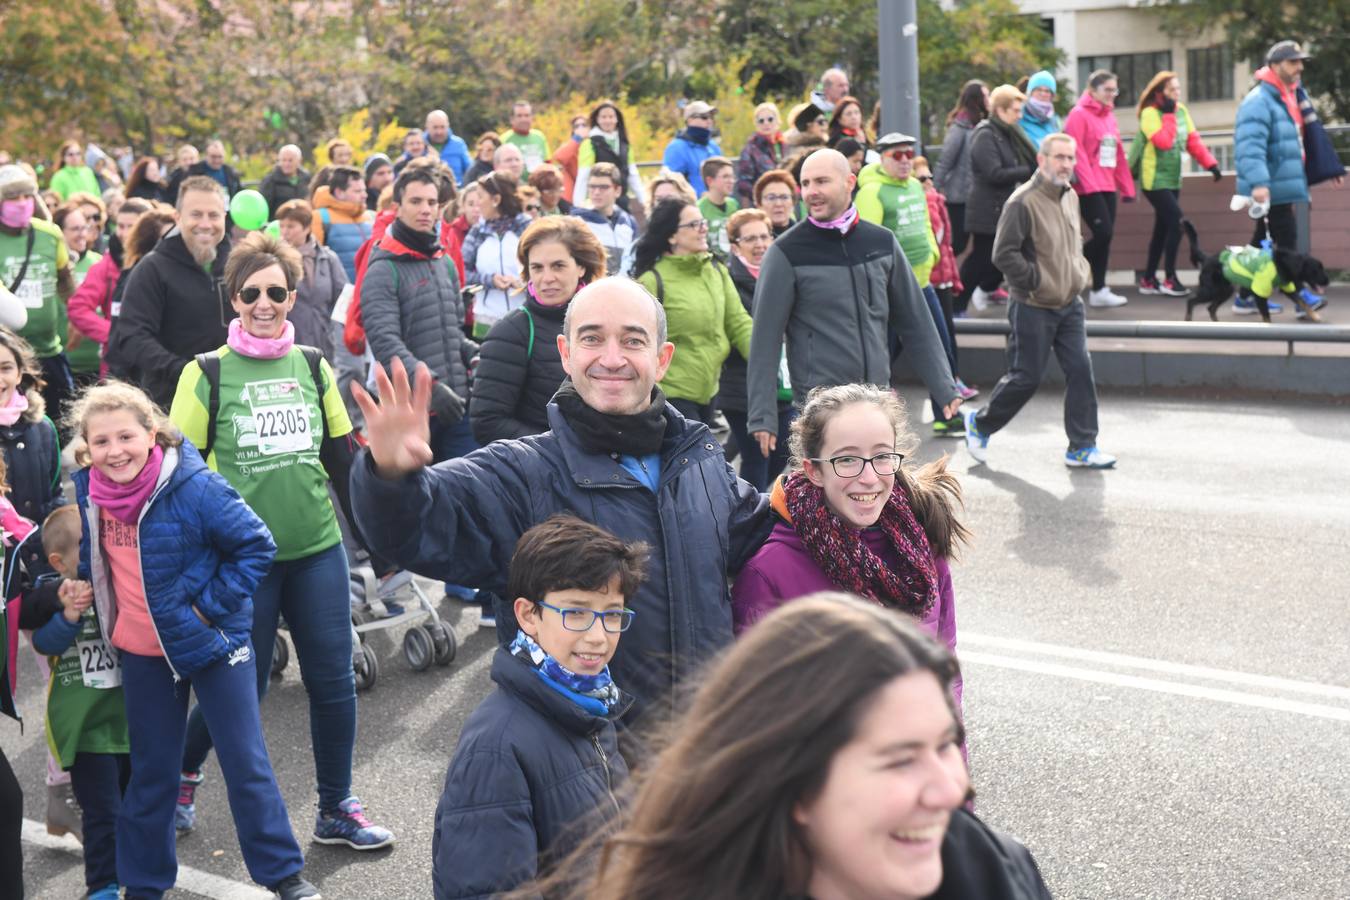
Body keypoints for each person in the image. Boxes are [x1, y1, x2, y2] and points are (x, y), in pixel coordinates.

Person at [348, 277, 771, 717]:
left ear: (661, 359)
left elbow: (765, 537)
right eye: (592, 338)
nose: (612, 358)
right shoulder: (519, 473)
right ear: (566, 353)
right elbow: (415, 527)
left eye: (632, 340)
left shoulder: (697, 459)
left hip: (710, 751)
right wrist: (390, 478)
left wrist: (831, 483)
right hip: (592, 765)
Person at [525, 592, 1051, 900]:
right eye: (900, 759)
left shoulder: (1000, 873)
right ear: (792, 779)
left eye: (946, 746)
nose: (951, 788)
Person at [167, 231, 393, 850]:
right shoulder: (205, 373)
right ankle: (182, 776)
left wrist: (376, 540)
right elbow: (176, 474)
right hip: (243, 564)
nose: (264, 303)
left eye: (277, 291)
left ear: (293, 296)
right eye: (251, 292)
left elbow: (344, 460)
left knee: (334, 680)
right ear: (233, 300)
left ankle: (335, 809)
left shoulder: (314, 364)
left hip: (317, 549)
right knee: (243, 686)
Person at [67, 382, 320, 900]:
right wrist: (77, 585)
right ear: (86, 448)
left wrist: (206, 610)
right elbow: (97, 560)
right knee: (151, 776)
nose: (115, 451)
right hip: (142, 651)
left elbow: (256, 546)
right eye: (101, 441)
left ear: (153, 433)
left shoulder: (195, 485)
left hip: (214, 643)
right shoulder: (89, 492)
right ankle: (142, 885)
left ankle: (284, 876)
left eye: (126, 437)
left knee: (245, 763)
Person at [432, 515, 644, 899]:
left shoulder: (591, 706)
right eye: (575, 612)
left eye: (611, 614)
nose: (598, 636)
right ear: (528, 615)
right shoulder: (496, 747)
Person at [732, 382, 969, 708]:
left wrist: (949, 751)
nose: (870, 478)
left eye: (882, 456)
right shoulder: (769, 572)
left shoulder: (921, 547)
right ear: (814, 470)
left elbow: (946, 673)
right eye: (847, 460)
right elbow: (757, 708)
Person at [745, 149, 959, 459]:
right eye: (805, 184)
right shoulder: (785, 252)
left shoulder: (882, 242)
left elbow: (917, 322)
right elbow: (764, 339)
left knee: (881, 494)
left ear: (849, 182)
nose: (811, 192)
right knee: (831, 500)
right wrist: (762, 415)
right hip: (823, 409)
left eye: (821, 181)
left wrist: (944, 386)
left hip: (878, 402)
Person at [964, 133, 1115, 469]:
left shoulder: (1071, 196)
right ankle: (980, 424)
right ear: (1042, 160)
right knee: (1025, 377)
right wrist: (1036, 281)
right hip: (1032, 304)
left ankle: (1082, 447)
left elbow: (1073, 245)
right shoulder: (1022, 201)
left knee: (1080, 369)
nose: (1066, 165)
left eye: (1071, 158)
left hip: (1069, 303)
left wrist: (1080, 273)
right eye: (1059, 157)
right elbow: (1003, 254)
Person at [26, 505, 130, 900]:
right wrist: (68, 616)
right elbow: (43, 644)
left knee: (134, 804)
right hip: (86, 732)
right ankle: (102, 886)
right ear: (59, 562)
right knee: (103, 813)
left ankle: (136, 874)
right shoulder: (63, 601)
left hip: (127, 722)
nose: (96, 553)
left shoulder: (112, 585)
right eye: (86, 547)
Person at [361, 165, 476, 462]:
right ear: (397, 208)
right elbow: (385, 343)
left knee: (466, 497)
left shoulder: (444, 262)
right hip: (411, 411)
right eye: (416, 202)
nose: (425, 209)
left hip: (457, 406)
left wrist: (475, 354)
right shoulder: (383, 269)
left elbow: (452, 334)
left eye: (432, 202)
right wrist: (432, 385)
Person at [856, 134, 966, 436]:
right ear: (882, 158)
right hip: (890, 292)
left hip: (922, 283)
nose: (905, 160)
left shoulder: (917, 186)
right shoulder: (872, 191)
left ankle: (946, 412)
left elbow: (926, 227)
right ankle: (867, 419)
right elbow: (868, 242)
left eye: (909, 154)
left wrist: (931, 254)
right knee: (881, 358)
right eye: (897, 155)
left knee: (940, 349)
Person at [470, 218, 606, 445]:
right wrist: (565, 448)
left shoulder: (607, 321)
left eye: (558, 266)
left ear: (581, 266)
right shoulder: (512, 330)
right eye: (537, 268)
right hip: (544, 471)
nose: (547, 278)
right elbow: (488, 422)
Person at [1233, 39, 1344, 315]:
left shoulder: (1290, 96)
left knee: (1261, 243)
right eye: (1293, 62)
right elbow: (1249, 146)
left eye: (1300, 62)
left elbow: (1307, 137)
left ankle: (1244, 296)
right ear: (1274, 65)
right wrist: (1259, 183)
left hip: (1280, 185)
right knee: (1288, 245)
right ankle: (1302, 299)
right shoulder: (1259, 101)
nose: (1299, 68)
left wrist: (1330, 167)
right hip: (1270, 186)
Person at [114, 175, 232, 410]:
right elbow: (132, 335)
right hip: (173, 402)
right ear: (178, 218)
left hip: (233, 400)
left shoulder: (239, 264)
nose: (206, 224)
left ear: (225, 218)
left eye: (214, 215)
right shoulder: (153, 268)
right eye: (196, 214)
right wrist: (185, 371)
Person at [633, 198, 752, 426]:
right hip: (671, 393)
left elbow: (738, 322)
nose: (703, 229)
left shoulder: (716, 270)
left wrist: (765, 361)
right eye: (694, 224)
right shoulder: (651, 281)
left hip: (710, 390)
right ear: (672, 236)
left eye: (703, 222)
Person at [715, 208, 791, 491]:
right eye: (750, 239)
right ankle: (749, 522)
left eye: (764, 236)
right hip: (741, 386)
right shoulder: (728, 281)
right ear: (735, 246)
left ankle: (739, 503)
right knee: (757, 457)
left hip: (782, 383)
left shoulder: (782, 272)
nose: (760, 244)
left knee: (783, 450)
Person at [1130, 71, 1221, 297]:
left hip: (1173, 178)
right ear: (1160, 92)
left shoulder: (1181, 111)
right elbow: (1163, 142)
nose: (1177, 94)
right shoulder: (1149, 113)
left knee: (1162, 229)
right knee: (1177, 224)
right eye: (1172, 90)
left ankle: (1149, 279)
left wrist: (1210, 164)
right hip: (1154, 180)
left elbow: (1192, 141)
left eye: (1178, 89)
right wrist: (1168, 115)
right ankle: (1170, 278)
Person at [0, 164, 76, 425]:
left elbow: (65, 281)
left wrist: (75, 319)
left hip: (49, 349)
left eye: (26, 196)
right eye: (12, 197)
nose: (21, 203)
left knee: (62, 421)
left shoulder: (49, 233)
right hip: (8, 356)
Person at [960, 85, 1037, 315]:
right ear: (1001, 110)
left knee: (1000, 255)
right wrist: (1029, 170)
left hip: (1002, 207)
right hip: (987, 208)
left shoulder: (1007, 133)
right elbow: (994, 173)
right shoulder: (986, 134)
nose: (1019, 115)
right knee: (981, 259)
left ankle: (982, 292)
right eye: (1015, 110)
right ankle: (958, 304)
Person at [1064, 69, 1136, 308]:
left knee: (1105, 238)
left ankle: (1099, 289)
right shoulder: (1078, 115)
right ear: (1092, 91)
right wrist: (1089, 184)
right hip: (1087, 187)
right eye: (1107, 89)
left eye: (1114, 90)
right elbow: (1077, 153)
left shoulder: (1109, 117)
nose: (1112, 94)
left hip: (1107, 185)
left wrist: (1127, 187)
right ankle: (1067, 267)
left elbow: (1117, 154)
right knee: (1102, 233)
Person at [914, 156, 977, 419]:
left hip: (940, 278)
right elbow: (936, 240)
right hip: (930, 280)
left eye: (930, 177)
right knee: (940, 341)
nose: (928, 182)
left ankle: (950, 392)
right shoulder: (928, 201)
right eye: (922, 179)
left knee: (945, 336)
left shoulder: (935, 200)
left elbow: (946, 246)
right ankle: (947, 401)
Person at [68, 198, 151, 378]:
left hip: (155, 362)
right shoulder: (106, 265)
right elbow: (78, 308)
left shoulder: (164, 261)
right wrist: (115, 333)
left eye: (131, 226)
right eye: (120, 226)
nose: (124, 233)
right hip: (117, 364)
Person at [461, 173, 532, 338]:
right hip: (486, 320)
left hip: (525, 317)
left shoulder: (527, 229)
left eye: (480, 197)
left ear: (496, 200)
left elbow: (543, 269)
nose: (477, 203)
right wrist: (489, 280)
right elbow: (463, 273)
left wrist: (522, 282)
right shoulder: (477, 232)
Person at [276, 198, 347, 358]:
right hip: (288, 346)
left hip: (324, 345)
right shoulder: (275, 260)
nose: (284, 231)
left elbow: (343, 300)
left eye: (291, 226)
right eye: (282, 226)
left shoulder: (328, 258)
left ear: (307, 228)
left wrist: (338, 337)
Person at [934, 80, 989, 270]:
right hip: (958, 196)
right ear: (976, 99)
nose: (988, 99)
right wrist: (932, 192)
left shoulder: (981, 125)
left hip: (976, 196)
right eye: (985, 95)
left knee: (976, 245)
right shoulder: (959, 127)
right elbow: (945, 161)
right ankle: (943, 276)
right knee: (958, 244)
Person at [53, 203, 104, 386]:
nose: (82, 234)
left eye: (84, 228)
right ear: (59, 232)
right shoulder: (52, 265)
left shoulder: (100, 262)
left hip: (99, 366)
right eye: (75, 229)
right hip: (65, 365)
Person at [573, 101, 647, 215]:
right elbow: (583, 176)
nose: (607, 120)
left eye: (611, 117)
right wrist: (578, 206)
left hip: (621, 201)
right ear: (597, 119)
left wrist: (645, 201)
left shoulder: (624, 144)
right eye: (603, 117)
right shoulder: (589, 143)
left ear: (617, 119)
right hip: (598, 204)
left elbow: (633, 175)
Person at [310, 164, 373, 281]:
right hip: (340, 293)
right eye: (358, 191)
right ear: (339, 192)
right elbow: (311, 260)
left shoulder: (369, 217)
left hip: (370, 290)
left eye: (364, 190)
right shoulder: (319, 217)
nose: (365, 195)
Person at [574, 163, 637, 276]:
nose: (596, 192)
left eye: (604, 187)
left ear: (617, 190)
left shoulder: (629, 222)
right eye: (592, 187)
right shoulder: (578, 223)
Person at [662, 101, 722, 195]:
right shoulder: (676, 148)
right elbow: (669, 182)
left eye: (711, 117)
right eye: (704, 117)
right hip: (691, 206)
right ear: (689, 120)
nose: (709, 121)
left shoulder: (713, 147)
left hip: (716, 204)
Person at [736, 102, 786, 207]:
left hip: (785, 202)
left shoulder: (785, 146)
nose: (766, 123)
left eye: (770, 119)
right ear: (756, 124)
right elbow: (743, 184)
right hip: (762, 205)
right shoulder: (750, 149)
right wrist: (763, 196)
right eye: (761, 121)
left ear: (778, 121)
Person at [166, 140, 241, 205]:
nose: (217, 160)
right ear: (207, 156)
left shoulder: (230, 172)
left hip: (227, 214)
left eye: (220, 157)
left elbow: (238, 192)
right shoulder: (193, 171)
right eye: (213, 157)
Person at [697, 156, 740, 260]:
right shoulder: (698, 209)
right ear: (710, 181)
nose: (731, 181)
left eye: (732, 177)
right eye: (725, 177)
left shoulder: (733, 205)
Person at [258, 145, 311, 219]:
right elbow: (262, 206)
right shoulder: (270, 180)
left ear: (299, 161)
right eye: (283, 160)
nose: (287, 164)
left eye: (290, 160)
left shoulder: (306, 178)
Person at [499, 101, 550, 174]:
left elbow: (548, 163)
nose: (523, 119)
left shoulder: (540, 136)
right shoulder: (504, 139)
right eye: (519, 116)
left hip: (539, 183)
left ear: (532, 117)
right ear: (512, 119)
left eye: (527, 115)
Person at [423, 109, 472, 184]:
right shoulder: (418, 144)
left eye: (442, 127)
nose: (439, 132)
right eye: (435, 127)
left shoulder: (458, 144)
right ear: (427, 126)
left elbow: (470, 169)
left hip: (455, 191)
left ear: (448, 126)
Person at [1018, 71, 1062, 149]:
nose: (1043, 94)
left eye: (1047, 91)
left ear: (1052, 96)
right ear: (1030, 92)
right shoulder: (1019, 115)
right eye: (1038, 90)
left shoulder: (1055, 121)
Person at [550, 114, 589, 200]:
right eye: (576, 126)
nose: (580, 128)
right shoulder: (571, 146)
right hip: (573, 193)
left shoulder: (596, 145)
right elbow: (560, 157)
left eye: (584, 125)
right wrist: (577, 138)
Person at [753, 169, 798, 236]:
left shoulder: (805, 235)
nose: (778, 204)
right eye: (771, 198)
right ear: (759, 204)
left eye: (784, 197)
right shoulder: (754, 238)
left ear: (793, 203)